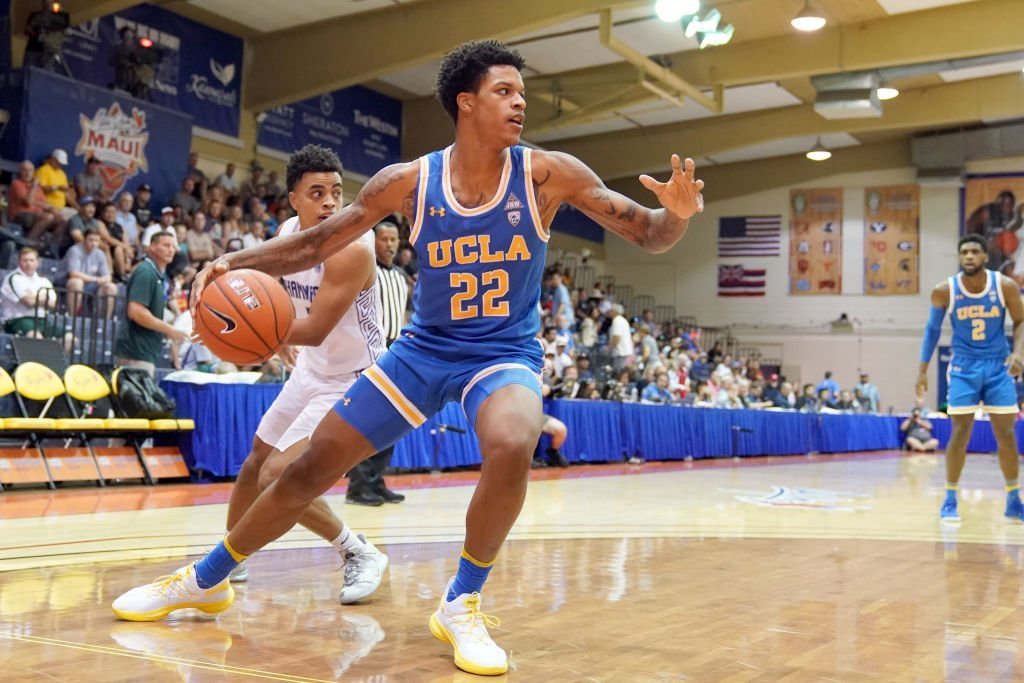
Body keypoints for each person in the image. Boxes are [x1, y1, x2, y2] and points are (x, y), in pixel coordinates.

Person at [113, 40, 704, 677]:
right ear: (466, 104)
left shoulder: (545, 173)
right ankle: (206, 580)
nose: (519, 104)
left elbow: (647, 231)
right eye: (505, 93)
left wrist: (677, 215)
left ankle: (462, 601)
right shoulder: (408, 183)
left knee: (513, 439)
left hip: (501, 352)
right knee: (308, 467)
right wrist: (234, 259)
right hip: (423, 351)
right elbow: (316, 243)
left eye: (522, 95)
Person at [224, 145, 389, 601]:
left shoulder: (354, 247)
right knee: (255, 461)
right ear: (293, 199)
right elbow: (269, 291)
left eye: (336, 192)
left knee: (277, 474)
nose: (331, 203)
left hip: (353, 379)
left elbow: (314, 329)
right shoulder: (289, 232)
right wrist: (232, 326)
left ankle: (358, 552)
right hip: (311, 371)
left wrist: (251, 333)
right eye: (317, 193)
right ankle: (226, 561)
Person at [917, 234, 1024, 523]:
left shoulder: (1004, 286)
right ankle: (950, 498)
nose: (969, 256)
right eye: (964, 252)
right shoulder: (944, 290)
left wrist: (1018, 352)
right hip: (963, 367)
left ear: (985, 256)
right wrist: (922, 371)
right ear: (959, 256)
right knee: (960, 433)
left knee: (1006, 435)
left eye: (975, 251)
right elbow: (932, 331)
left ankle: (1014, 498)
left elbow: (1021, 321)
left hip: (997, 367)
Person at [346, 219, 409, 506]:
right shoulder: (365, 271)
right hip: (371, 350)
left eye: (394, 240)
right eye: (384, 239)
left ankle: (376, 480)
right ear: (373, 242)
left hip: (397, 349)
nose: (390, 244)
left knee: (392, 421)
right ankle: (358, 487)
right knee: (369, 421)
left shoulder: (399, 275)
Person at [113, 232, 188, 375]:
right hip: (135, 352)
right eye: (166, 245)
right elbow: (136, 312)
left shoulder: (158, 274)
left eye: (173, 246)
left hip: (145, 351)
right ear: (152, 247)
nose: (171, 250)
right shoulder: (145, 272)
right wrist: (169, 330)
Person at [1, 247, 57, 337]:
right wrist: (44, 298)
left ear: (38, 262)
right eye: (25, 260)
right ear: (19, 262)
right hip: (18, 320)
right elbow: (29, 302)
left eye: (31, 260)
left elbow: (52, 305)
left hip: (42, 320)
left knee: (70, 338)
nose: (28, 263)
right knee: (36, 337)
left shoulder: (44, 281)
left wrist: (34, 298)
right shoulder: (14, 278)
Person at [65, 229, 117, 316]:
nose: (94, 243)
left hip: (92, 285)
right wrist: (96, 279)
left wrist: (104, 280)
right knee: (77, 282)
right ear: (84, 240)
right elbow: (73, 273)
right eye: (91, 240)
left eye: (96, 241)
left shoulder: (100, 254)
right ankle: (72, 318)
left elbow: (108, 276)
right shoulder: (75, 250)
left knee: (111, 287)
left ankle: (104, 323)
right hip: (67, 283)